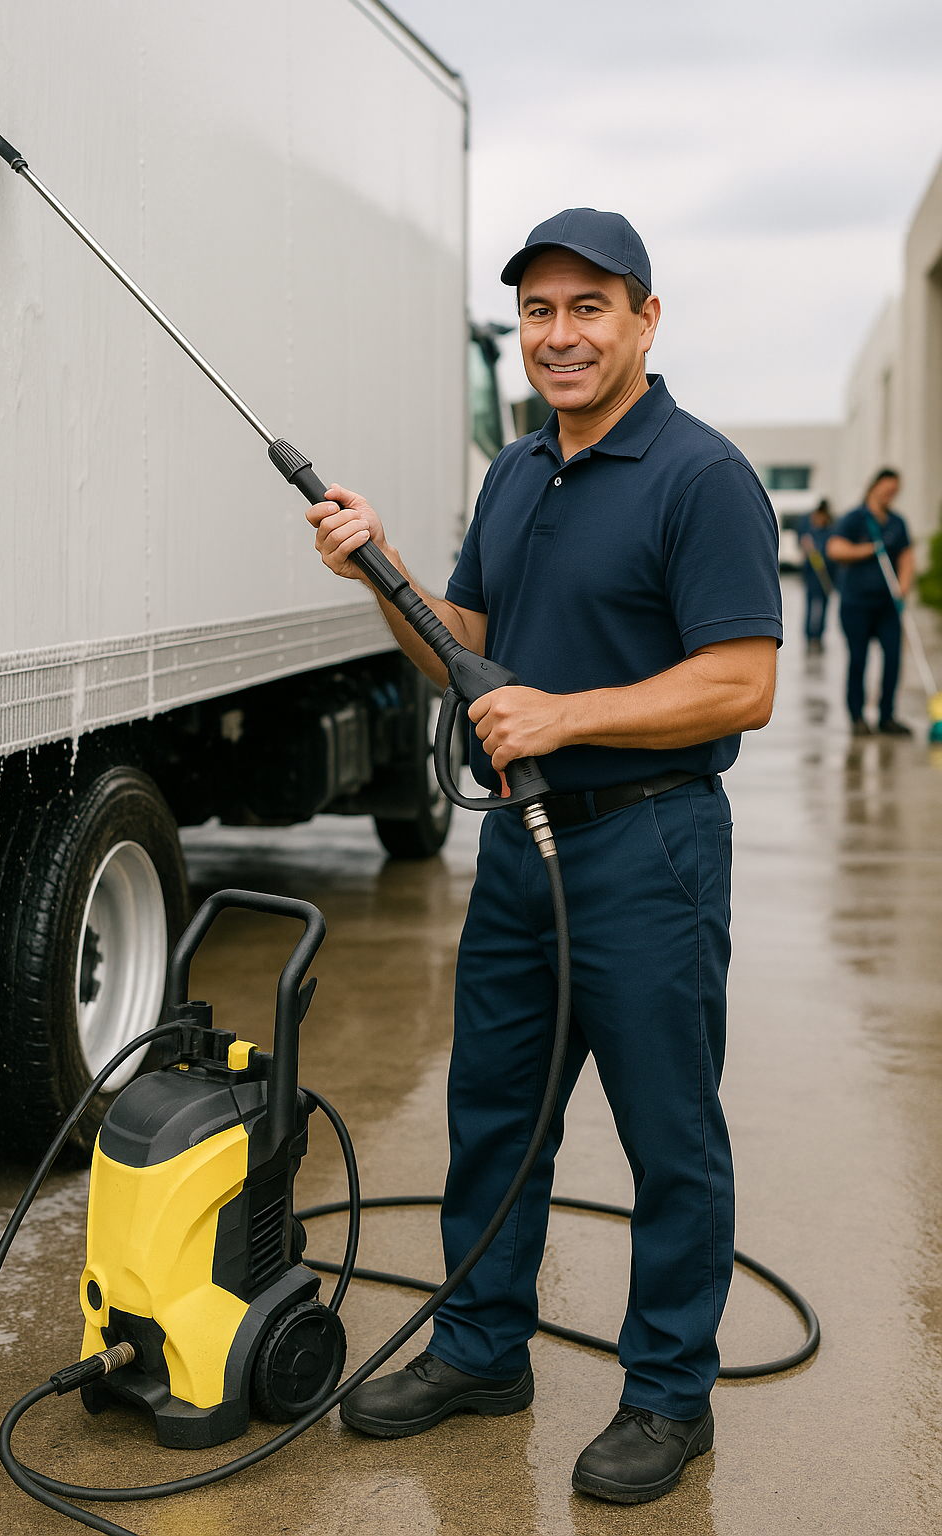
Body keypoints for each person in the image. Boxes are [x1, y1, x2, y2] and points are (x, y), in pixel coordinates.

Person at [306, 209, 781, 1505]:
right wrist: (380, 573)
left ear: (644, 319)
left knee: (668, 1137)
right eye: (538, 314)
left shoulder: (701, 476)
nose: (559, 336)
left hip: (651, 850)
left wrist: (569, 715)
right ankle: (481, 1350)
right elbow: (466, 643)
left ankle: (671, 1396)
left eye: (588, 308)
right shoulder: (520, 471)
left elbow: (743, 684)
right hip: (523, 856)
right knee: (494, 1117)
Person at [827, 469, 915, 736]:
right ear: (874, 487)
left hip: (888, 606)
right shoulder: (855, 519)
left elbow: (906, 557)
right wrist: (867, 549)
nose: (890, 494)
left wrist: (903, 587)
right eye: (886, 489)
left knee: (893, 659)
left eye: (894, 491)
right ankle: (857, 717)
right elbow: (834, 549)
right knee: (859, 659)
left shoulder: (897, 523)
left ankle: (887, 716)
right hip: (856, 604)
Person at [798, 499, 836, 652]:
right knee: (810, 605)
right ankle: (809, 635)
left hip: (827, 575)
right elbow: (801, 546)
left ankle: (819, 636)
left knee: (824, 606)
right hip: (811, 575)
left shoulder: (830, 531)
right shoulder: (808, 530)